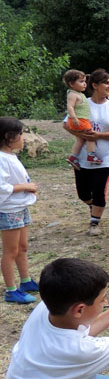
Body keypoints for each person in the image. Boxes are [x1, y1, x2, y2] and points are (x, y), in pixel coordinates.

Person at [62, 69, 109, 236]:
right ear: (95, 85)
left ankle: (94, 222)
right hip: (83, 158)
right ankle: (95, 206)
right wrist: (80, 134)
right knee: (83, 194)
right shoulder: (82, 102)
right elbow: (66, 124)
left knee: (99, 189)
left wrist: (99, 135)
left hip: (105, 157)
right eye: (106, 82)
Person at [0, 117, 38, 304]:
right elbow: (2, 187)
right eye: (21, 134)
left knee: (22, 247)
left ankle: (25, 281)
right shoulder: (1, 159)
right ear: (9, 136)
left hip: (19, 207)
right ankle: (11, 290)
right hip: (9, 210)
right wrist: (26, 186)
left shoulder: (10, 156)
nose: (23, 138)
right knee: (10, 251)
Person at [63, 70, 101, 169]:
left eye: (84, 81)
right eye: (81, 81)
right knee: (90, 135)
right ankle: (91, 155)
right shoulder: (73, 94)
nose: (84, 84)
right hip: (80, 120)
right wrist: (74, 117)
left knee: (80, 139)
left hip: (81, 120)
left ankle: (73, 157)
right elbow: (70, 106)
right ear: (71, 84)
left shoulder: (79, 93)